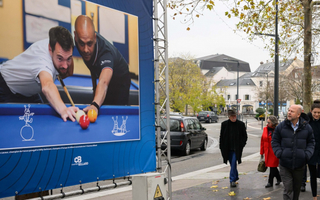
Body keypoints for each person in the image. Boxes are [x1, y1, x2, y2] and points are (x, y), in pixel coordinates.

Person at [0, 26, 79, 122]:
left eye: (69, 58)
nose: (65, 65)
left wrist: (64, 63)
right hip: (4, 86)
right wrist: (63, 109)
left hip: (29, 92)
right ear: (50, 48)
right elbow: (47, 86)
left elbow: (67, 69)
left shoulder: (57, 44)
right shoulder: (42, 60)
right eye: (60, 58)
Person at [74, 15, 131, 114]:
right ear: (75, 36)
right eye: (82, 44)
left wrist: (95, 104)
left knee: (115, 113)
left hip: (120, 80)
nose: (85, 50)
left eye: (89, 44)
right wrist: (94, 91)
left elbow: (104, 81)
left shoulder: (105, 53)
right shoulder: (80, 40)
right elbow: (92, 67)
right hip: (104, 78)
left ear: (95, 38)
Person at [271, 104, 315, 200]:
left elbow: (311, 142)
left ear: (298, 114)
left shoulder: (306, 127)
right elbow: (275, 141)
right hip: (284, 164)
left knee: (296, 190)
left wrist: (306, 155)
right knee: (288, 189)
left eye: (292, 111)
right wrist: (279, 153)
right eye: (289, 110)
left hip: (300, 165)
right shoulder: (281, 126)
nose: (289, 113)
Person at [219, 109, 248, 187]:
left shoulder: (241, 124)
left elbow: (244, 136)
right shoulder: (224, 124)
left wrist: (242, 144)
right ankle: (235, 176)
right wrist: (221, 146)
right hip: (227, 148)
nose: (234, 117)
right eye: (232, 116)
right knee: (232, 164)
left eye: (235, 115)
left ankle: (232, 180)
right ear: (229, 117)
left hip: (236, 148)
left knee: (234, 162)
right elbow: (221, 136)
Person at [302, 101, 320, 200]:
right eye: (315, 112)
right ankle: (314, 196)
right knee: (313, 175)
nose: (317, 114)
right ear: (311, 111)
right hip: (311, 152)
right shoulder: (307, 123)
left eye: (319, 113)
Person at [260, 115, 281, 188]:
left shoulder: (277, 129)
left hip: (274, 151)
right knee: (272, 167)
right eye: (267, 122)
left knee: (272, 166)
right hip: (267, 151)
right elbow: (262, 140)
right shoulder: (265, 129)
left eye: (269, 122)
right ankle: (279, 178)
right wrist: (261, 152)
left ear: (273, 123)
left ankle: (270, 182)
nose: (267, 124)